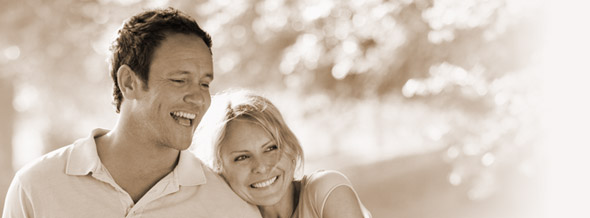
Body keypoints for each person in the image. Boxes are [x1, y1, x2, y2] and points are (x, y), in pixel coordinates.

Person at [2, 8, 261, 217]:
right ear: (128, 82)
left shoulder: (230, 207)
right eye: (179, 80)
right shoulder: (36, 187)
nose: (198, 98)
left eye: (205, 84)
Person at [190, 89, 372, 218]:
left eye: (271, 148)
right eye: (242, 157)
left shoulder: (326, 190)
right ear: (219, 170)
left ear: (290, 148)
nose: (261, 166)